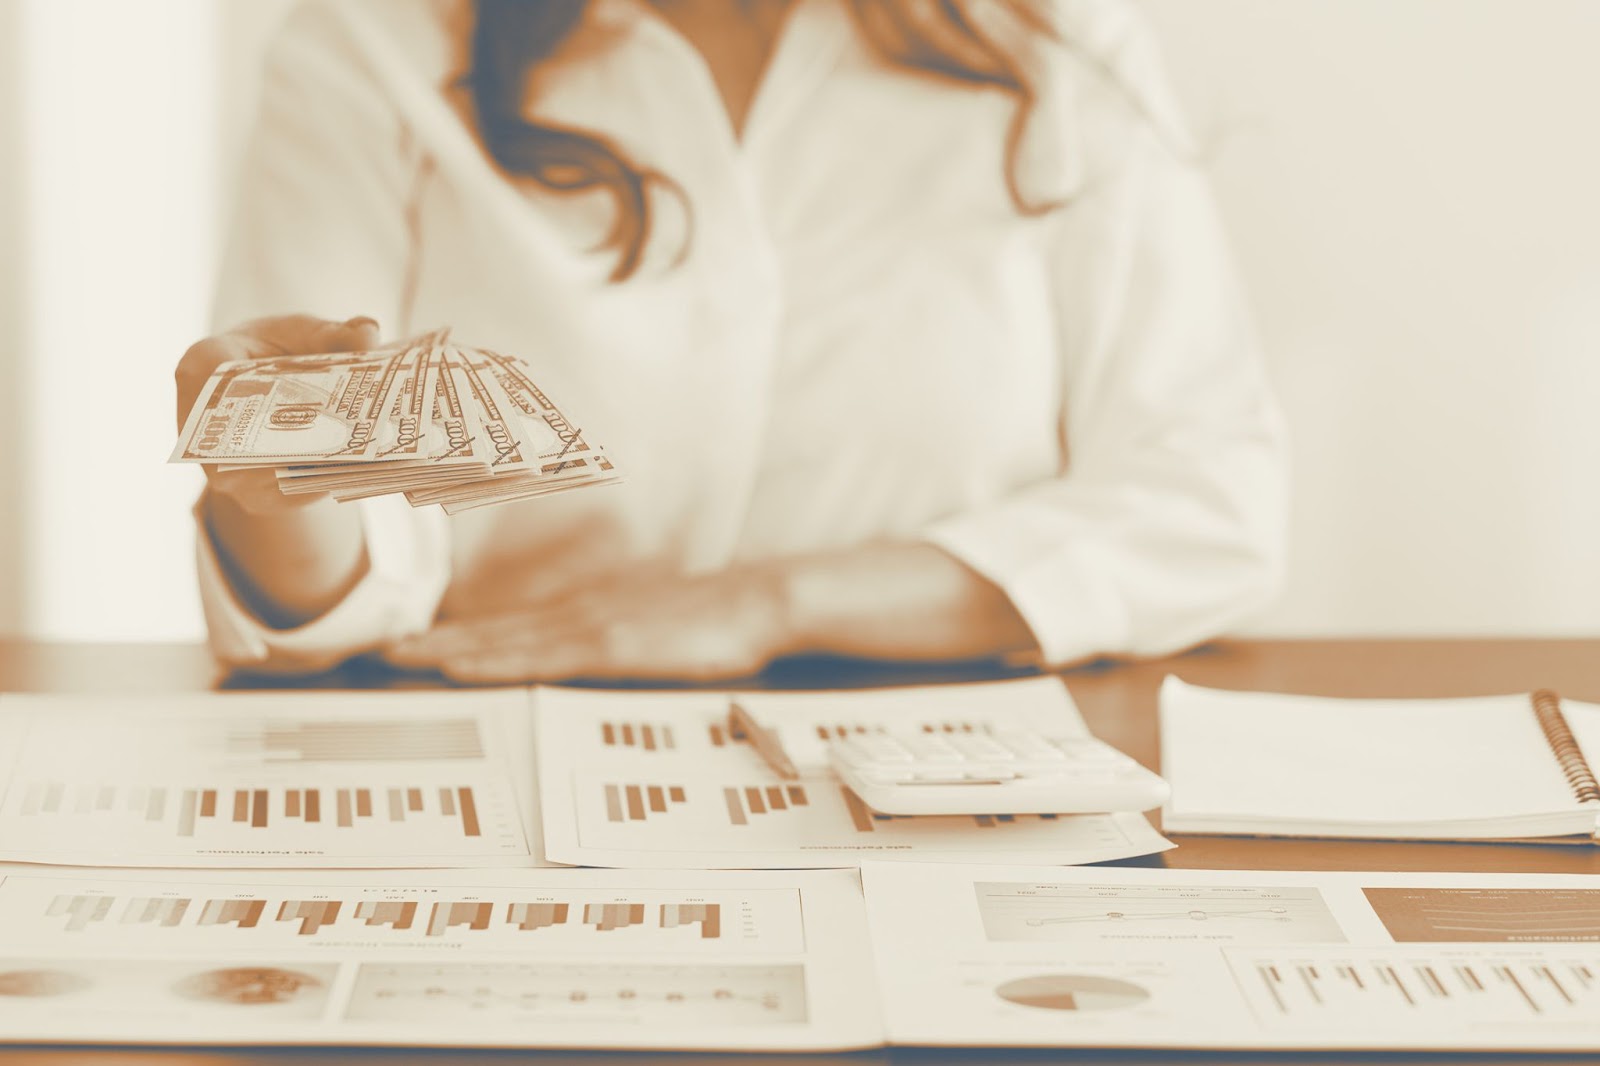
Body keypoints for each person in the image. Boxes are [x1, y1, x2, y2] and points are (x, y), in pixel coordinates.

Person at [176, 0, 1287, 683]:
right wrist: (275, 489)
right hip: (502, 748)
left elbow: (1206, 503)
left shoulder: (1054, 48)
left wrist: (769, 601)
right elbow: (339, 582)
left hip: (949, 772)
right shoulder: (369, 46)